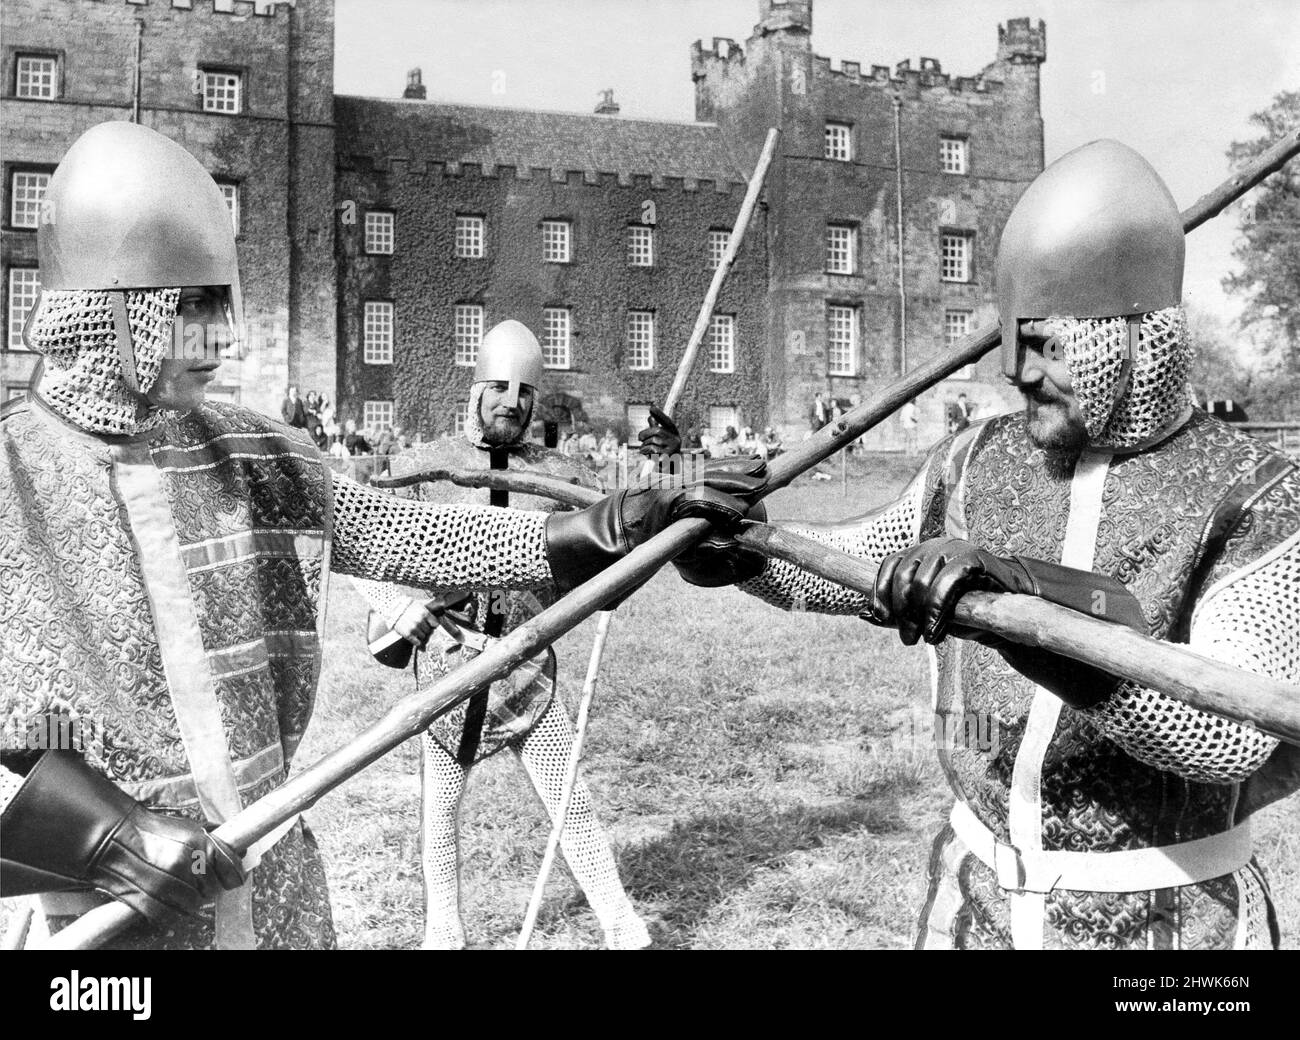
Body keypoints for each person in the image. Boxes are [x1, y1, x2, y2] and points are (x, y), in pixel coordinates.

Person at [0, 121, 747, 951]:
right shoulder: (10, 475)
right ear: (112, 312)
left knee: (566, 799)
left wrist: (625, 514)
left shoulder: (254, 450)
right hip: (89, 924)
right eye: (195, 311)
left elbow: (410, 534)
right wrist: (104, 836)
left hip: (268, 881)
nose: (228, 340)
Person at [662, 140, 1300, 950]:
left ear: (1140, 339)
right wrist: (747, 555)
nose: (1014, 371)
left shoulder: (1254, 491)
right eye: (1011, 340)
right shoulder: (978, 457)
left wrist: (1032, 605)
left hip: (1164, 923)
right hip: (976, 902)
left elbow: (1230, 731)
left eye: (1047, 345)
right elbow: (865, 568)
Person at [350, 321, 652, 950]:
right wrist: (397, 603)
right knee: (439, 819)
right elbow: (354, 540)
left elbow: (624, 530)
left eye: (522, 396)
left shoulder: (556, 476)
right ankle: (444, 937)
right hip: (449, 673)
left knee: (572, 805)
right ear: (476, 390)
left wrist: (656, 476)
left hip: (525, 670)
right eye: (499, 390)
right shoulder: (425, 467)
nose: (510, 405)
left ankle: (625, 931)